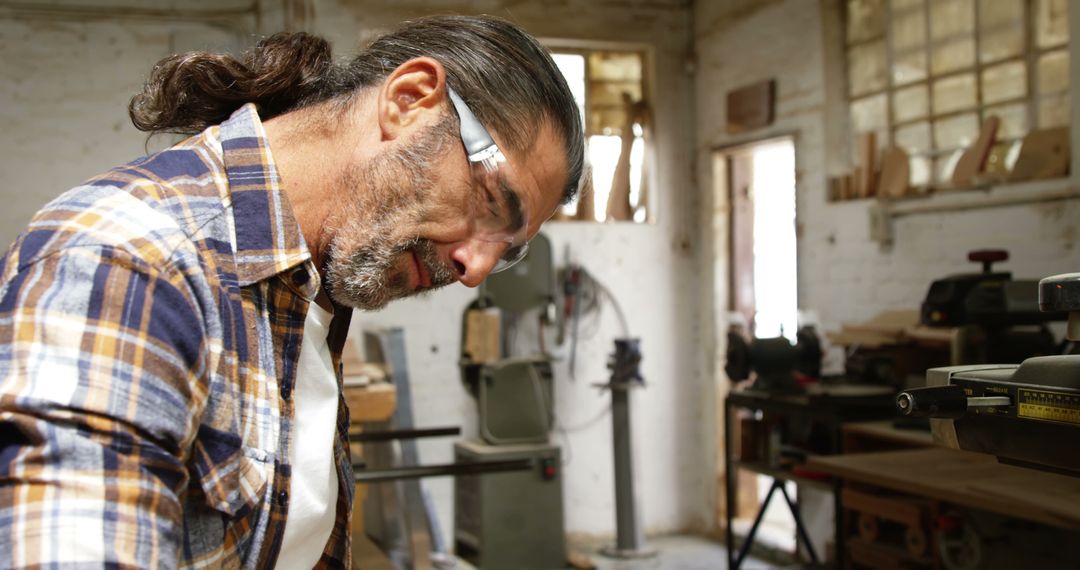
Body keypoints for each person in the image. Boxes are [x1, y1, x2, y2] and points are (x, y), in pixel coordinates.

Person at [0, 15, 583, 569]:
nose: (475, 270)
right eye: (490, 202)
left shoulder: (311, 288)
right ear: (410, 101)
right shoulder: (128, 262)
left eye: (508, 250)